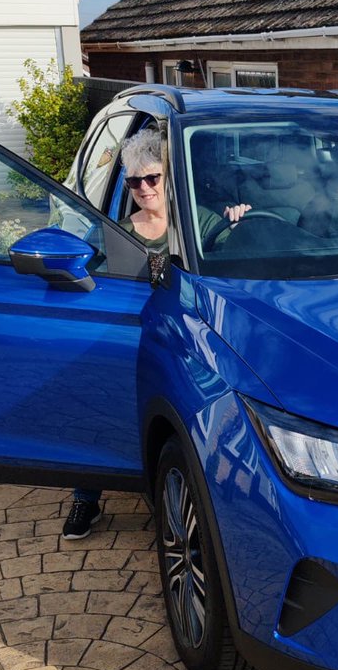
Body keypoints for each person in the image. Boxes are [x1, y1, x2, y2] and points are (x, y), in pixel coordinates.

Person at [62, 126, 250, 539]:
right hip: (130, 336)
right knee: (100, 403)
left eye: (153, 178)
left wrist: (238, 228)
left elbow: (232, 274)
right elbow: (82, 281)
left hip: (182, 339)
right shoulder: (115, 233)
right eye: (133, 181)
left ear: (170, 178)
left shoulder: (204, 225)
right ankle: (85, 496)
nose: (143, 188)